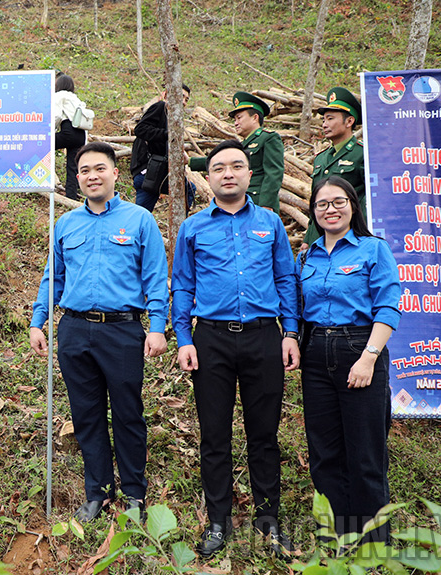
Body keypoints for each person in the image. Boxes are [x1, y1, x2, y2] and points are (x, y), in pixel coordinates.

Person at [170, 139, 299, 558]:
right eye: (220, 167)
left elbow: (285, 280)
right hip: (212, 340)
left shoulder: (270, 223)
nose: (228, 173)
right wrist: (184, 339)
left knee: (264, 435)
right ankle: (217, 521)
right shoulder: (192, 228)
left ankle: (268, 521)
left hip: (264, 338)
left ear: (249, 174)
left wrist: (291, 333)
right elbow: (183, 286)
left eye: (237, 166)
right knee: (215, 436)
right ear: (208, 178)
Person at [30, 141, 169, 523]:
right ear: (78, 178)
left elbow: (157, 278)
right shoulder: (66, 223)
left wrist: (157, 327)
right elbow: (52, 277)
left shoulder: (140, 219)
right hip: (74, 330)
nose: (92, 176)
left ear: (114, 173)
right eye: (85, 170)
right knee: (86, 415)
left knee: (128, 414)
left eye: (99, 169)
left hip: (122, 332)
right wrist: (37, 321)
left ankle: (134, 495)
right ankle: (98, 492)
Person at [299, 176, 401, 543]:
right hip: (315, 354)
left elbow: (388, 306)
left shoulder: (373, 249)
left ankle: (374, 541)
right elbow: (298, 307)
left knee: (365, 452)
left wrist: (369, 357)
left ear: (353, 206)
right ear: (313, 211)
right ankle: (338, 536)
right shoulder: (306, 255)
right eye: (322, 204)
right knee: (324, 451)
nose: (330, 209)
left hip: (360, 347)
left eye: (338, 201)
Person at [189, 91, 284, 212]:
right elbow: (221, 162)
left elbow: (274, 173)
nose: (235, 123)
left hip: (259, 202)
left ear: (255, 117)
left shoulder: (268, 138)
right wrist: (190, 161)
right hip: (240, 200)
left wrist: (267, 204)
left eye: (239, 118)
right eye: (234, 119)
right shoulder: (243, 144)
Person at [303, 87, 365, 247]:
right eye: (324, 120)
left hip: (350, 236)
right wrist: (308, 239)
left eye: (330, 119)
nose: (324, 124)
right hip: (320, 237)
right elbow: (315, 202)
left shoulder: (361, 154)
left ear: (349, 121)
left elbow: (368, 201)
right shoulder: (321, 158)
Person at [132, 83, 195, 214]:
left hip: (157, 173)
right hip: (148, 173)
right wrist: (169, 135)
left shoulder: (170, 117)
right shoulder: (161, 107)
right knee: (140, 215)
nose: (183, 102)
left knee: (141, 215)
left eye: (186, 100)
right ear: (166, 95)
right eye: (181, 97)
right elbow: (140, 129)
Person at [52, 74, 92, 200]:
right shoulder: (76, 99)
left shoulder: (59, 95)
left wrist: (50, 131)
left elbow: (57, 115)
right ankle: (71, 197)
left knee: (42, 145)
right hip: (80, 135)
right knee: (72, 168)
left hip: (68, 132)